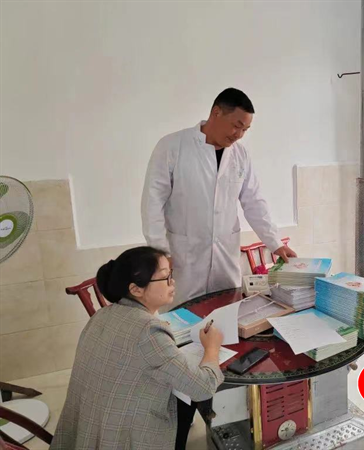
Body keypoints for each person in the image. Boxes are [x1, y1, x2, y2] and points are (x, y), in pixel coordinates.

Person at [50, 247, 224, 450]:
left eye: (171, 274)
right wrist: (212, 348)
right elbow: (203, 388)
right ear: (136, 290)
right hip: (122, 438)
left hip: (87, 433)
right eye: (165, 277)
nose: (173, 282)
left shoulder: (102, 315)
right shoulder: (148, 330)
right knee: (188, 397)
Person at [141, 87, 296, 309]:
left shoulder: (240, 155)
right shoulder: (173, 147)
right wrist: (161, 252)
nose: (239, 135)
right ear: (216, 112)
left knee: (226, 314)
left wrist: (275, 243)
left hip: (225, 258)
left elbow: (254, 202)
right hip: (184, 258)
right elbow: (152, 203)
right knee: (183, 316)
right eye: (236, 125)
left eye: (245, 130)